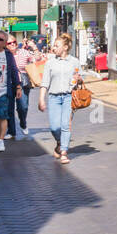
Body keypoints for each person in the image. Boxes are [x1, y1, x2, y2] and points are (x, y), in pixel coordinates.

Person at [39, 32, 80, 165]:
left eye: (56, 45)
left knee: (65, 126)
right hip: (54, 98)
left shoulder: (75, 62)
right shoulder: (50, 63)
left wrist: (79, 79)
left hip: (69, 97)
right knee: (54, 127)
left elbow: (78, 80)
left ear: (66, 47)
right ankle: (59, 142)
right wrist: (41, 99)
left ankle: (64, 152)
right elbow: (44, 83)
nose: (53, 48)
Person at [5, 38, 31, 137]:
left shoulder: (24, 52)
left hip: (22, 83)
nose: (12, 44)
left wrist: (34, 48)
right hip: (8, 83)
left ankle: (23, 123)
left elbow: (36, 59)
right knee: (9, 108)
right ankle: (11, 131)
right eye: (9, 43)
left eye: (14, 42)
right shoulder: (4, 55)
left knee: (23, 106)